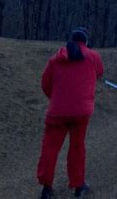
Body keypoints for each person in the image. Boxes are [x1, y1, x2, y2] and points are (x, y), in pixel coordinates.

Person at [36, 27, 104, 199]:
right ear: (86, 41)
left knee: (50, 148)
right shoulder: (93, 56)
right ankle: (78, 185)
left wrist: (57, 99)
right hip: (81, 112)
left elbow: (45, 84)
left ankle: (46, 187)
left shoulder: (55, 59)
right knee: (77, 147)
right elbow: (99, 73)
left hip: (57, 112)